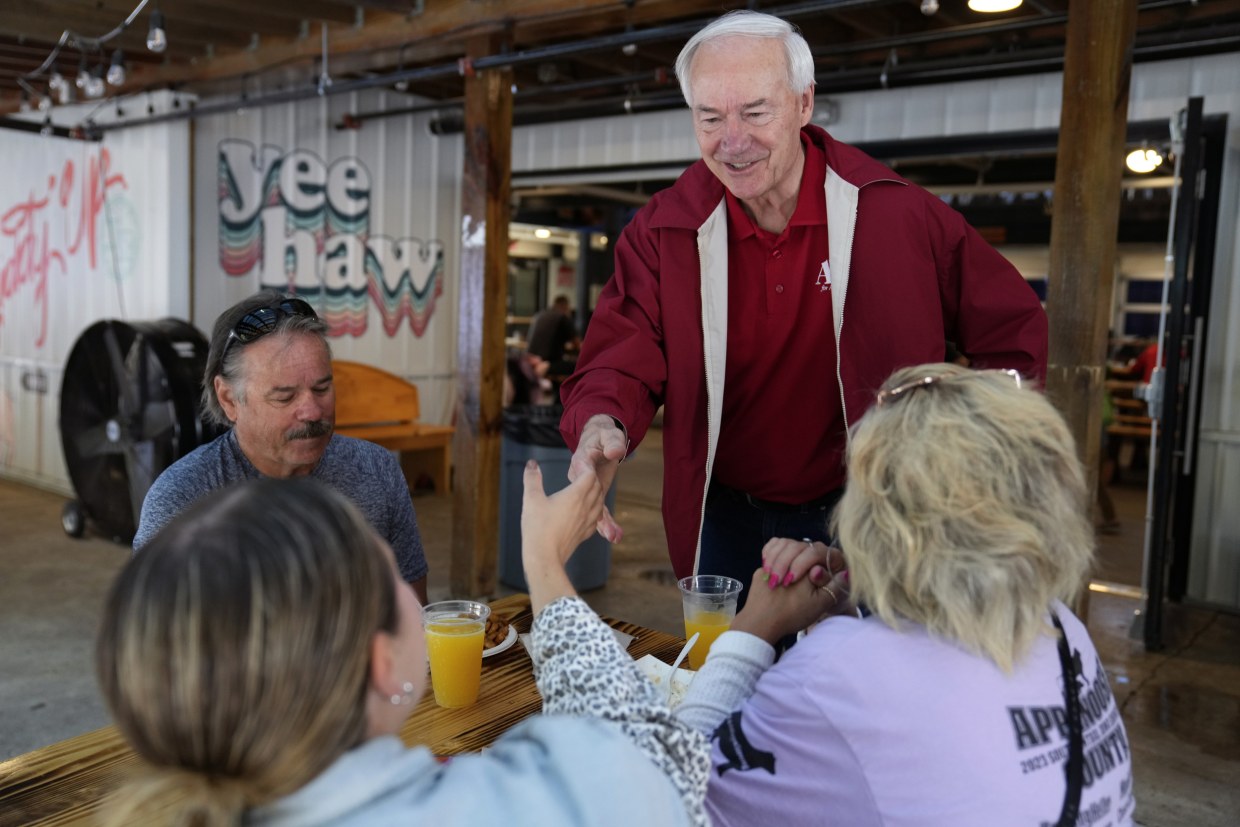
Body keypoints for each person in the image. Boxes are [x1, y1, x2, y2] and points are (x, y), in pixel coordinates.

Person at [559, 10, 1048, 594]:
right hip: (721, 512)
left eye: (755, 112)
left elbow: (1013, 332)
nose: (732, 141)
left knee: (851, 679)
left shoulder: (896, 214)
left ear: (803, 103)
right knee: (728, 673)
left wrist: (970, 463)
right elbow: (623, 346)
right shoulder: (665, 231)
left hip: (866, 512)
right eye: (710, 117)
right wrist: (601, 422)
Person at [97, 470, 710, 826]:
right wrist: (545, 566)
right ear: (383, 664)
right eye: (394, 580)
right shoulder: (498, 805)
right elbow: (659, 760)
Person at [676, 363, 1135, 826]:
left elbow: (665, 795)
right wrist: (860, 599)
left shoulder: (836, 673)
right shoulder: (1062, 626)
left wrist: (754, 630)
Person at [133, 289, 429, 602]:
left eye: (322, 387)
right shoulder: (182, 501)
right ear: (229, 399)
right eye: (284, 397)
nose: (313, 411)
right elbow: (149, 644)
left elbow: (416, 617)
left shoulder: (375, 472)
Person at [527, 295, 581, 377]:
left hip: (530, 360)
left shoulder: (540, 314)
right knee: (578, 367)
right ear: (565, 306)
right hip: (547, 363)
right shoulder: (562, 317)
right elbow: (578, 345)